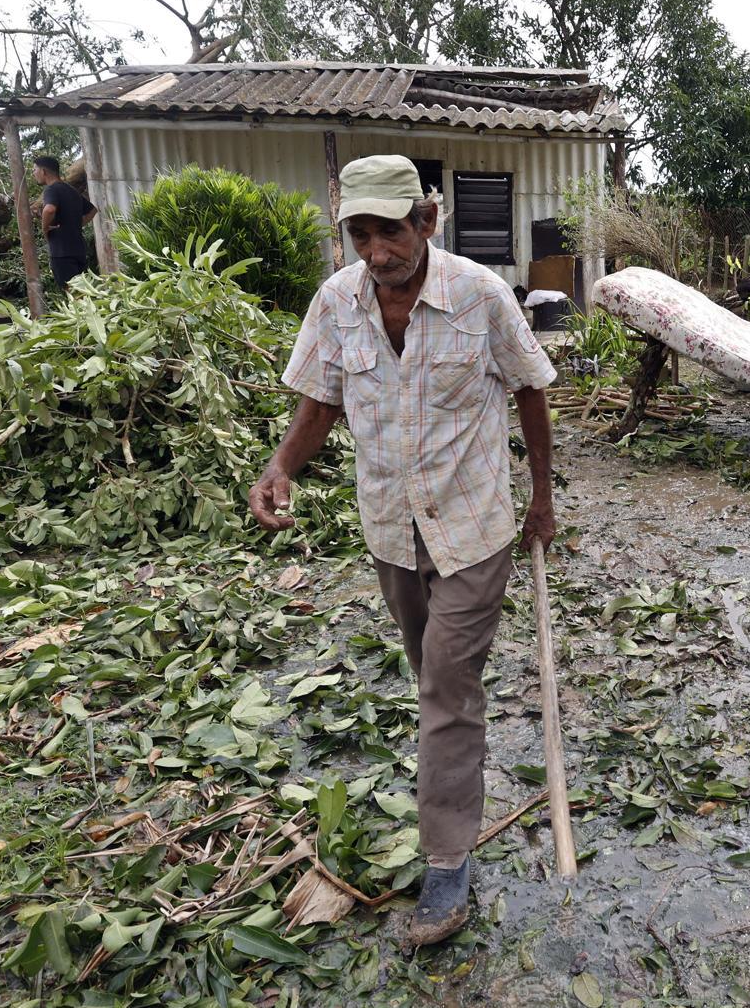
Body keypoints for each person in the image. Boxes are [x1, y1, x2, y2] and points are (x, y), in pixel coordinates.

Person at [248, 155, 556, 948]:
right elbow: (320, 401)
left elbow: (530, 388)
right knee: (432, 678)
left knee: (447, 687)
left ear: (425, 220)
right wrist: (281, 467)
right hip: (390, 527)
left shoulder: (480, 298)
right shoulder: (335, 305)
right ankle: (454, 760)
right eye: (360, 232)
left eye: (391, 230)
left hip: (474, 527)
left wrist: (543, 500)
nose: (377, 249)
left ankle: (448, 864)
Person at [32, 155, 95, 284]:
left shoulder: (51, 189)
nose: (34, 174)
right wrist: (77, 224)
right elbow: (92, 210)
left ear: (43, 171)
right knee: (82, 290)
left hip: (62, 252)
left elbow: (49, 209)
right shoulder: (71, 190)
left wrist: (45, 228)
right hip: (79, 250)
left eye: (35, 170)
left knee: (71, 292)